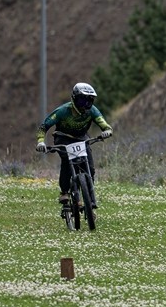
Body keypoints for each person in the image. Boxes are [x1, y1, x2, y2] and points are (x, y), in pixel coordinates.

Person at [36, 82, 113, 211]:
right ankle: (64, 192)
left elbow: (104, 124)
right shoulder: (62, 111)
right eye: (83, 101)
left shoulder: (92, 111)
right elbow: (43, 127)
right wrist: (40, 141)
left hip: (82, 139)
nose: (86, 105)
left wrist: (107, 131)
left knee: (90, 169)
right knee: (67, 162)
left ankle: (90, 201)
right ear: (74, 99)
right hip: (63, 138)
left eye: (90, 101)